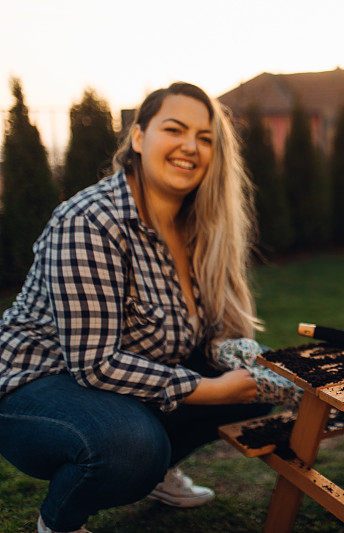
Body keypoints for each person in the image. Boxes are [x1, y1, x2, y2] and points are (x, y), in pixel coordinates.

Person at [0, 82, 300, 533]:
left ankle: (158, 470)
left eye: (205, 138)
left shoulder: (197, 225)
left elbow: (203, 337)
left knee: (253, 386)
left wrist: (253, 369)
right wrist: (216, 390)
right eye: (174, 129)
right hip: (35, 386)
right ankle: (59, 522)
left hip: (115, 384)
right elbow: (95, 366)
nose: (190, 147)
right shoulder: (89, 221)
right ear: (138, 138)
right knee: (130, 446)